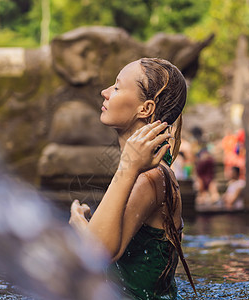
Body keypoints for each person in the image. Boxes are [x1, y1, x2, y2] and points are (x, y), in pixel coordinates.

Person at [69, 58, 196, 299]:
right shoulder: (151, 172)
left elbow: (95, 253)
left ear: (145, 109)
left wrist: (77, 224)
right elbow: (107, 247)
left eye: (116, 87)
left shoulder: (150, 178)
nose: (104, 92)